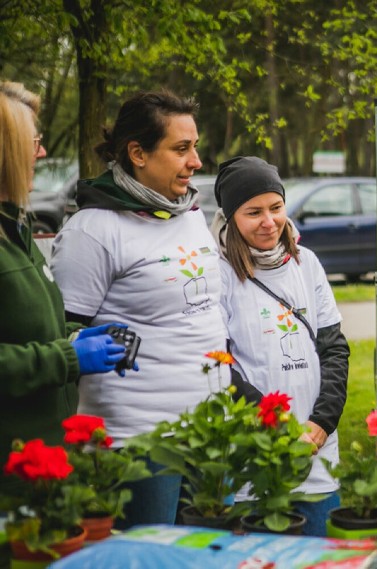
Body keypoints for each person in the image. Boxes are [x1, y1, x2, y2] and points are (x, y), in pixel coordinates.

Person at [50, 91, 228, 529]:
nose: (197, 162)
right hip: (138, 443)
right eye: (181, 149)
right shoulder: (92, 231)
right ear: (138, 153)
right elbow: (63, 335)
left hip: (208, 434)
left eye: (195, 147)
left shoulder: (186, 215)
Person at [0, 81, 128, 566]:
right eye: (33, 142)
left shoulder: (16, 230)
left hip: (43, 474)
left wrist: (75, 341)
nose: (43, 152)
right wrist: (66, 357)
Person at [211, 156, 350, 537]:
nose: (269, 221)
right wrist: (273, 425)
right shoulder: (219, 272)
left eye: (275, 207)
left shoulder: (307, 264)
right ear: (230, 217)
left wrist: (321, 423)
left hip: (315, 448)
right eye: (253, 212)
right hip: (255, 449)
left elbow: (335, 349)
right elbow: (219, 365)